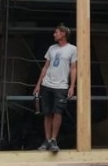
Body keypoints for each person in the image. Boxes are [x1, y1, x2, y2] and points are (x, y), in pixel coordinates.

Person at [33, 23, 77, 152]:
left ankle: (53, 139)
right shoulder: (52, 48)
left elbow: (74, 68)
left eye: (56, 32)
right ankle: (46, 139)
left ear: (63, 34)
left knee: (58, 112)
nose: (54, 34)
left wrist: (72, 86)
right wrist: (38, 84)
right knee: (47, 112)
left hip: (61, 85)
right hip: (47, 84)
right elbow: (46, 66)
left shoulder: (72, 49)